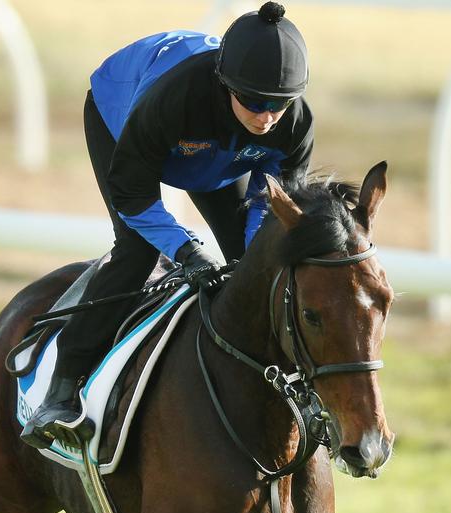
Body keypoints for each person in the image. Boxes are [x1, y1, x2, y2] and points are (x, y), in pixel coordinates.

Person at [21, 1, 313, 449]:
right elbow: (133, 198)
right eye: (254, 102)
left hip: (215, 154)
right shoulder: (173, 99)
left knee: (253, 262)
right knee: (137, 251)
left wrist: (253, 252)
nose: (266, 117)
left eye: (278, 103)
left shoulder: (293, 123)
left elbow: (272, 203)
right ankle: (63, 386)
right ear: (225, 83)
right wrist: (185, 248)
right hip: (120, 115)